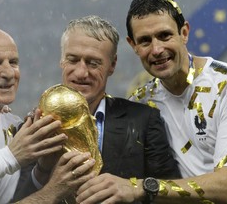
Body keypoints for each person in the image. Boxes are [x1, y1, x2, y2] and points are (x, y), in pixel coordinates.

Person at [24, 15, 179, 204]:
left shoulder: (143, 120)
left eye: (93, 63)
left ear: (112, 65)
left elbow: (172, 193)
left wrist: (135, 187)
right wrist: (42, 171)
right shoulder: (33, 125)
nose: (81, 73)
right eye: (73, 60)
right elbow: (16, 196)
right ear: (61, 61)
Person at [0, 26, 92, 204]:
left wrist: (43, 169)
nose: (9, 73)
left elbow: (17, 196)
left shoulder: (12, 122)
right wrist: (53, 191)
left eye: (13, 62)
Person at [107, 0, 227, 204]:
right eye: (145, 41)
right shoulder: (140, 103)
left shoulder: (225, 85)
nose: (156, 49)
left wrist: (145, 187)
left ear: (184, 32)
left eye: (164, 36)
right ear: (133, 45)